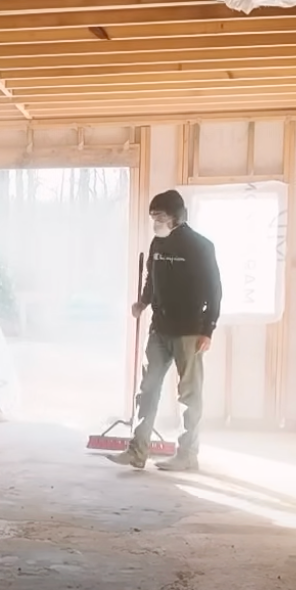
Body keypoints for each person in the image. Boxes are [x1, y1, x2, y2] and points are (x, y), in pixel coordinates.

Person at [107, 190, 221, 472]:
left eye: (159, 216)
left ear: (176, 216)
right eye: (152, 217)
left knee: (189, 395)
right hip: (159, 330)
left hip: (189, 332)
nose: (155, 222)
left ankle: (187, 454)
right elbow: (152, 278)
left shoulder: (200, 247)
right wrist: (143, 303)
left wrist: (208, 329)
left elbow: (214, 290)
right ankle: (137, 450)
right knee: (148, 389)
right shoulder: (157, 244)